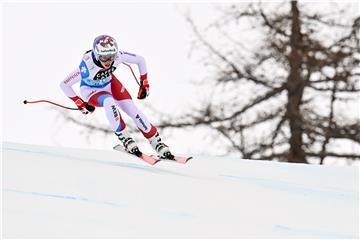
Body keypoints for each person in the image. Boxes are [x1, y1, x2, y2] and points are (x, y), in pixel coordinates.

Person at [60, 34, 172, 158]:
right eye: (104, 58)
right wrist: (79, 103)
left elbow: (140, 60)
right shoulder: (86, 67)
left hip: (111, 84)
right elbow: (64, 84)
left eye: (111, 57)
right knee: (108, 101)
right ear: (97, 55)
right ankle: (125, 137)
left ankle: (157, 142)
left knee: (132, 110)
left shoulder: (118, 56)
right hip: (91, 91)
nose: (108, 61)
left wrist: (144, 82)